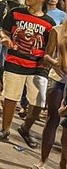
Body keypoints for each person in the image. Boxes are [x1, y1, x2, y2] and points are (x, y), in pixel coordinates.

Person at [0, 0, 56, 145]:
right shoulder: (15, 13)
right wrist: (5, 38)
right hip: (14, 62)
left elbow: (50, 46)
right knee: (11, 98)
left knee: (38, 103)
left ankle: (26, 128)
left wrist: (49, 61)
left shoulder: (49, 23)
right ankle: (5, 130)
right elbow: (3, 31)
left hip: (37, 67)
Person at [34, 20, 67, 169]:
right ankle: (43, 160)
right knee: (53, 118)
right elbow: (46, 56)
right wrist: (55, 62)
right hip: (58, 79)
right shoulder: (58, 30)